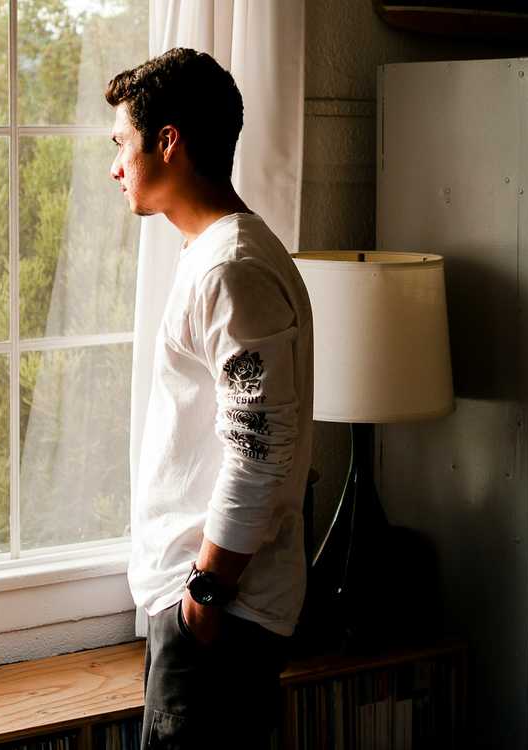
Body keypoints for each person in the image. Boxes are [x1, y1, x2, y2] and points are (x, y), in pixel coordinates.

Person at [107, 47, 314, 748]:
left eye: (123, 145)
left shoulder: (232, 268)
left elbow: (260, 451)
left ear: (169, 142)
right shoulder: (219, 253)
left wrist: (203, 599)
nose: (115, 168)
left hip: (222, 618)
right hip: (214, 611)